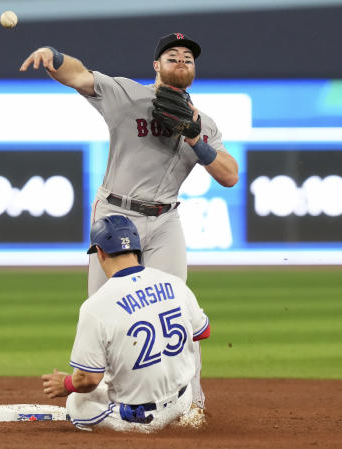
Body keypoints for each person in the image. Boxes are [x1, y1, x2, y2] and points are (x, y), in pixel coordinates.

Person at [21, 32, 238, 414]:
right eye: (172, 56)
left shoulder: (204, 124)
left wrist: (194, 137)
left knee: (176, 310)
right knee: (104, 308)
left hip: (166, 220)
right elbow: (80, 75)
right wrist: (53, 55)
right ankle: (103, 398)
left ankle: (191, 403)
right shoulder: (128, 96)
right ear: (157, 66)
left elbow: (229, 174)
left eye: (188, 57)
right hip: (117, 217)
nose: (181, 61)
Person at [41, 215, 211, 432]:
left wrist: (65, 384)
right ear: (137, 248)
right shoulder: (174, 283)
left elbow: (88, 379)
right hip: (182, 401)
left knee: (76, 402)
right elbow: (203, 332)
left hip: (143, 418)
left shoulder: (96, 306)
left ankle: (141, 430)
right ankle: (187, 415)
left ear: (100, 252)